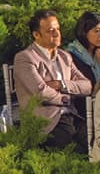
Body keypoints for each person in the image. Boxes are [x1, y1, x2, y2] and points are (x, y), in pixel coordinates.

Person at [11, 8, 92, 149]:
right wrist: (66, 99)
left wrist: (61, 85)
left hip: (71, 116)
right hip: (45, 121)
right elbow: (41, 92)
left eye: (58, 29)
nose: (57, 34)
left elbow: (87, 86)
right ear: (36, 35)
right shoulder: (25, 58)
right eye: (50, 31)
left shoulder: (64, 56)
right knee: (74, 145)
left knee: (95, 138)